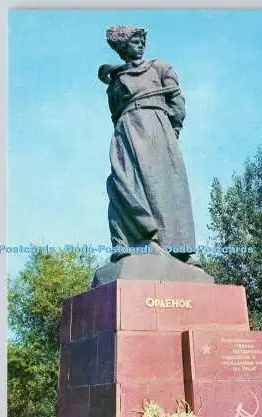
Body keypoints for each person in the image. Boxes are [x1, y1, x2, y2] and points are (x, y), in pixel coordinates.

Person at [98, 25, 201, 267]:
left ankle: (181, 250)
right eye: (135, 41)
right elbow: (115, 111)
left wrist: (171, 130)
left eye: (142, 40)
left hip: (158, 130)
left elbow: (177, 101)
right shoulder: (117, 80)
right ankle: (135, 241)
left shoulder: (161, 68)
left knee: (167, 189)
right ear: (124, 48)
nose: (141, 44)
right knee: (125, 184)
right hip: (127, 132)